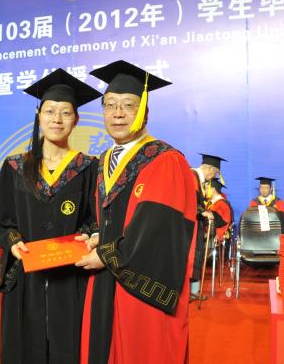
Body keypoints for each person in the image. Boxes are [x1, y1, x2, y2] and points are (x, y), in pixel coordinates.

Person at [77, 60, 197, 364]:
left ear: (144, 111)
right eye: (110, 105)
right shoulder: (104, 160)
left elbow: (157, 231)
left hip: (141, 287)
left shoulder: (164, 159)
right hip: (105, 281)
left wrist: (105, 255)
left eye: (128, 105)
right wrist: (97, 235)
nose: (118, 113)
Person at [0, 69, 101, 364]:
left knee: (70, 343)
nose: (57, 119)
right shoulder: (15, 167)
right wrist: (13, 241)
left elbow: (94, 217)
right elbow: (3, 219)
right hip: (27, 274)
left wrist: (89, 234)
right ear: (39, 116)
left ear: (75, 119)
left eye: (66, 112)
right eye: (50, 111)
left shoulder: (87, 167)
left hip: (71, 276)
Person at [190, 153, 226, 300]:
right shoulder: (192, 176)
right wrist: (202, 211)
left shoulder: (198, 179)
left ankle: (193, 291)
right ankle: (188, 292)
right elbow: (189, 197)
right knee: (190, 257)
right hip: (189, 226)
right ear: (210, 168)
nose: (213, 177)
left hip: (195, 223)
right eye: (215, 173)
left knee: (196, 256)